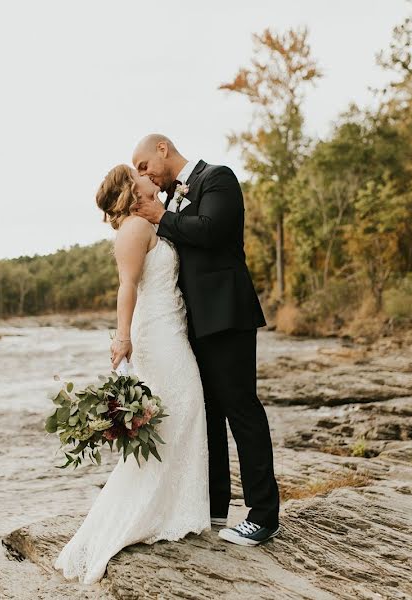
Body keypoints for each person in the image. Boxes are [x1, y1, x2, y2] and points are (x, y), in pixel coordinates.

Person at [54, 164, 210, 584]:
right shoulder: (133, 231)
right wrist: (121, 339)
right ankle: (143, 514)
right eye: (138, 175)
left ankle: (176, 510)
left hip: (171, 325)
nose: (146, 177)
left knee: (184, 412)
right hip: (156, 334)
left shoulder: (145, 223)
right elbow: (127, 286)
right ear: (129, 188)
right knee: (183, 408)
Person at [130, 133, 281, 547]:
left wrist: (162, 217)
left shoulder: (218, 178)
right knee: (208, 413)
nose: (143, 175)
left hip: (227, 314)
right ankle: (214, 508)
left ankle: (264, 515)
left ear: (163, 149)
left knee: (240, 408)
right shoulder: (170, 200)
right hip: (190, 322)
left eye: (143, 165)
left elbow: (212, 230)